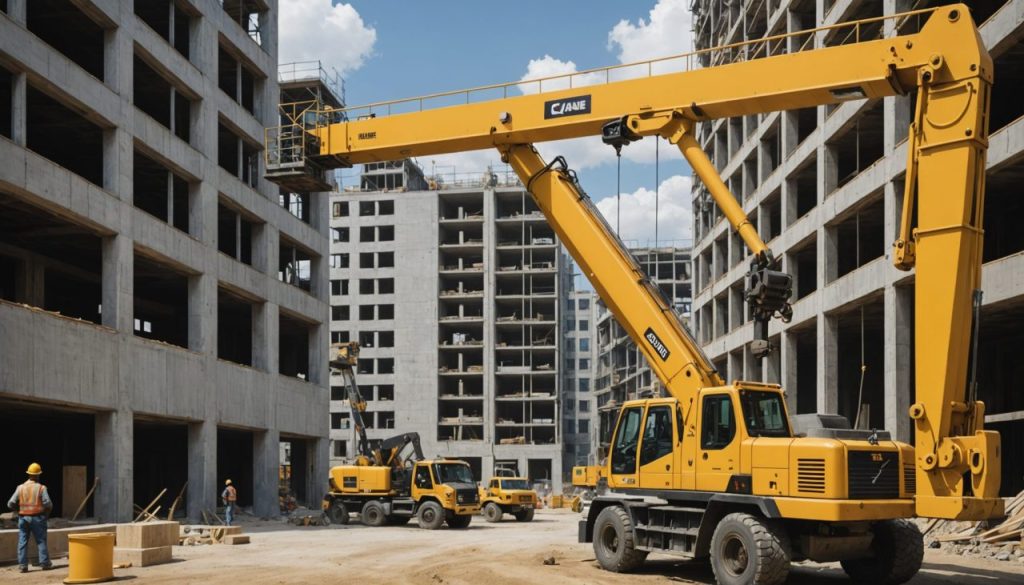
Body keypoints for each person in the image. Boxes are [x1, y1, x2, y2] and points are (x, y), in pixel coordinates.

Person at [7, 463, 53, 573]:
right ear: (38, 475)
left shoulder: (20, 488)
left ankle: (23, 565)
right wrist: (46, 515)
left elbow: (10, 503)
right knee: (41, 541)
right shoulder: (42, 488)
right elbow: (48, 504)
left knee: (22, 541)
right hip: (37, 518)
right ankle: (45, 563)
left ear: (28, 474)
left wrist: (18, 512)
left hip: (23, 518)